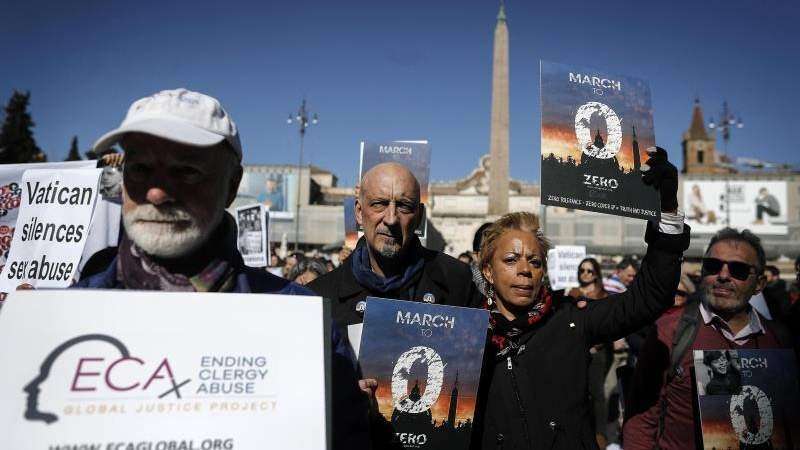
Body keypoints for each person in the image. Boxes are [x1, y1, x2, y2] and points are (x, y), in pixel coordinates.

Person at [74, 88, 369, 449]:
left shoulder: (303, 322)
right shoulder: (64, 318)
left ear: (231, 186)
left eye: (186, 171)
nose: (156, 193)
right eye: (140, 168)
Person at [471, 147, 689, 450]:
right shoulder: (466, 335)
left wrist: (666, 206)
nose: (524, 270)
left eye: (534, 262)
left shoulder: (573, 319)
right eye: (510, 260)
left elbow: (649, 297)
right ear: (488, 271)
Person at [623, 227, 796, 450]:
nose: (723, 276)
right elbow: (641, 421)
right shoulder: (672, 332)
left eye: (739, 270)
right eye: (713, 266)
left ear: (759, 284)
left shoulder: (779, 339)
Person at [308, 161, 483, 325]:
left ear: (419, 217)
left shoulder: (458, 282)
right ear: (359, 212)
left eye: (404, 206)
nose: (391, 219)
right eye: (379, 204)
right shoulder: (319, 297)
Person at [568, 257, 613, 449]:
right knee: (577, 393)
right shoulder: (573, 293)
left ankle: (600, 434)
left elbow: (609, 324)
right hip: (575, 352)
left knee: (597, 394)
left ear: (596, 273)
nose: (585, 274)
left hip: (596, 352)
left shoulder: (603, 295)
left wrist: (597, 346)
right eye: (582, 270)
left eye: (589, 271)